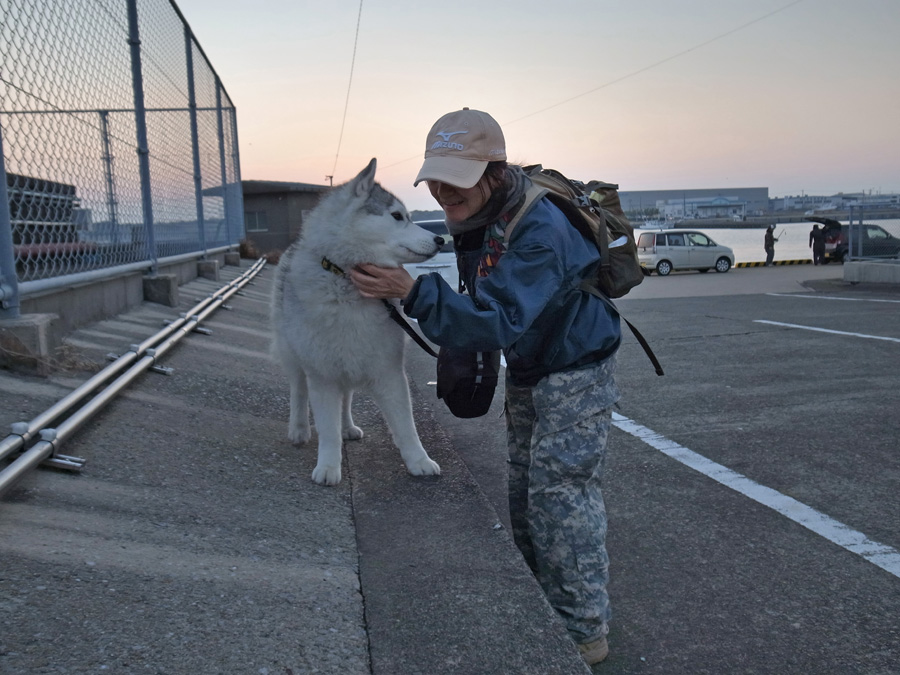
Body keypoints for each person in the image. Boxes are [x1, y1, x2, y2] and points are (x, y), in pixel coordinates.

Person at [349, 108, 622, 666]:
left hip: (576, 364)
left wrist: (414, 293)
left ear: (493, 170)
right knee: (524, 486)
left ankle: (585, 633)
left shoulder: (541, 228)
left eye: (459, 177)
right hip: (532, 363)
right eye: (437, 177)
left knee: (561, 494)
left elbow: (498, 316)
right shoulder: (481, 211)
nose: (445, 190)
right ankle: (545, 603)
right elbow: (482, 292)